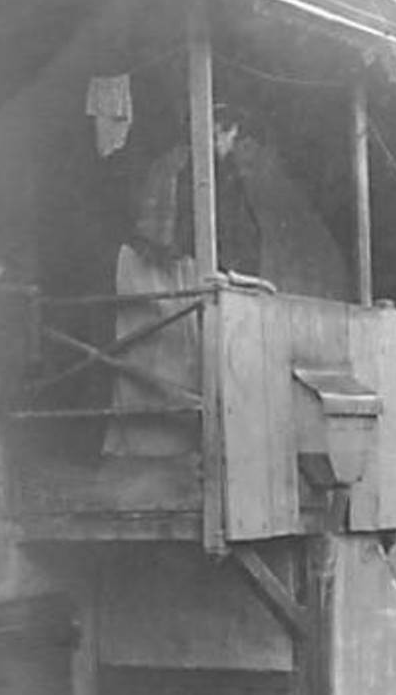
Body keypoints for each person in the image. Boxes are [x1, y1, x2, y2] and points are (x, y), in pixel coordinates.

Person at [104, 103, 271, 456]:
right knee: (160, 355)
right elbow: (171, 233)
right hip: (158, 269)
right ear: (217, 130)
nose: (230, 143)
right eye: (228, 134)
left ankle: (189, 446)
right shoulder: (182, 167)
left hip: (188, 268)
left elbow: (241, 231)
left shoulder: (218, 171)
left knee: (189, 358)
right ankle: (152, 448)